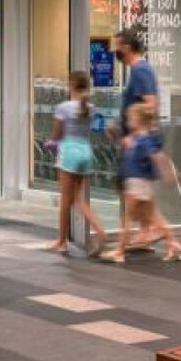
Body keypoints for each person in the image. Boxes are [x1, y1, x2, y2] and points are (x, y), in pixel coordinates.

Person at [110, 27, 178, 251]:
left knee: (135, 191)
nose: (115, 51)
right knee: (140, 192)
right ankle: (148, 233)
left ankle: (153, 232)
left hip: (139, 142)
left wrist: (135, 136)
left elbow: (150, 104)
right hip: (138, 140)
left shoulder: (141, 70)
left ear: (127, 48)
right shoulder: (139, 70)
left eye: (118, 47)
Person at [103, 103, 181, 264]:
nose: (128, 122)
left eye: (131, 119)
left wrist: (170, 174)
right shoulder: (140, 138)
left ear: (138, 121)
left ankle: (119, 251)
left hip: (137, 182)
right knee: (154, 216)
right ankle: (173, 243)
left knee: (127, 218)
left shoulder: (143, 140)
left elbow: (158, 157)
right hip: (144, 183)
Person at [45, 71, 107, 256]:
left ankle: (62, 241)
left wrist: (50, 142)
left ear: (71, 85)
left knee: (66, 200)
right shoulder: (91, 108)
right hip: (86, 152)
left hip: (69, 153)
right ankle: (99, 230)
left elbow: (58, 134)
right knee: (78, 199)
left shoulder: (63, 107)